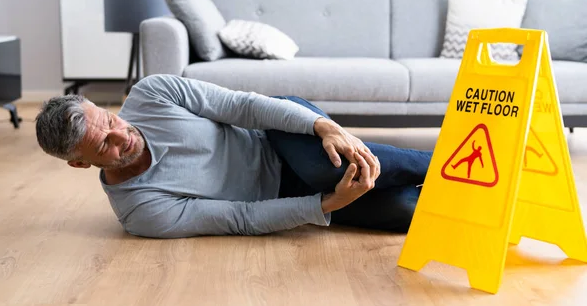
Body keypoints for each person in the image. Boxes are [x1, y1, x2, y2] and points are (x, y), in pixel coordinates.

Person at [35, 74, 432, 238]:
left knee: (320, 166)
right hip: (281, 194)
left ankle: (458, 166)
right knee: (404, 210)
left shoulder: (152, 92)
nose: (123, 135)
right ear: (80, 163)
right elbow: (241, 217)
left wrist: (325, 126)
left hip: (279, 136)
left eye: (110, 119)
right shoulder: (141, 211)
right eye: (106, 145)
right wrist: (329, 205)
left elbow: (246, 107)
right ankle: (480, 206)